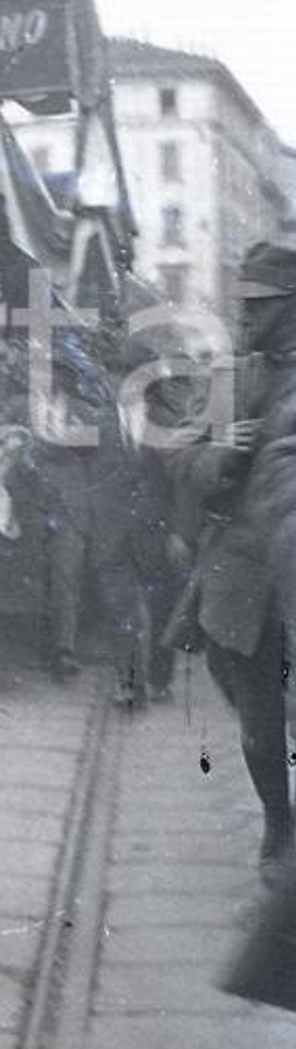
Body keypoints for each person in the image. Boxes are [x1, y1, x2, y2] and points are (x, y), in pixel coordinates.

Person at [167, 242, 296, 883]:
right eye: (244, 306)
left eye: (263, 308)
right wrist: (221, 452)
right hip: (244, 577)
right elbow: (180, 457)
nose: (249, 321)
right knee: (258, 728)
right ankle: (278, 823)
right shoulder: (229, 377)